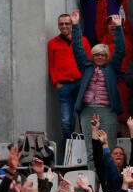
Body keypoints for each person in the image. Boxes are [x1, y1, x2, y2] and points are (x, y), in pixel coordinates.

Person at [71, 10, 126, 169]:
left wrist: (119, 28)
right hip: (88, 110)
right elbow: (77, 49)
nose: (100, 57)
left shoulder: (112, 68)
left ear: (107, 56)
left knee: (108, 147)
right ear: (93, 56)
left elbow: (121, 51)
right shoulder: (86, 67)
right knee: (90, 148)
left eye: (103, 55)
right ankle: (94, 183)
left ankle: (110, 181)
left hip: (107, 110)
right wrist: (75, 26)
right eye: (96, 55)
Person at [49, 14, 90, 144]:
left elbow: (89, 62)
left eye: (67, 23)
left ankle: (87, 150)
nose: (64, 26)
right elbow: (52, 65)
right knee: (66, 121)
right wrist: (56, 83)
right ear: (58, 26)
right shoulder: (52, 43)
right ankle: (70, 151)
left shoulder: (83, 41)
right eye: (61, 24)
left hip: (81, 85)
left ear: (72, 25)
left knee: (84, 119)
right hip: (64, 86)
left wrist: (88, 83)